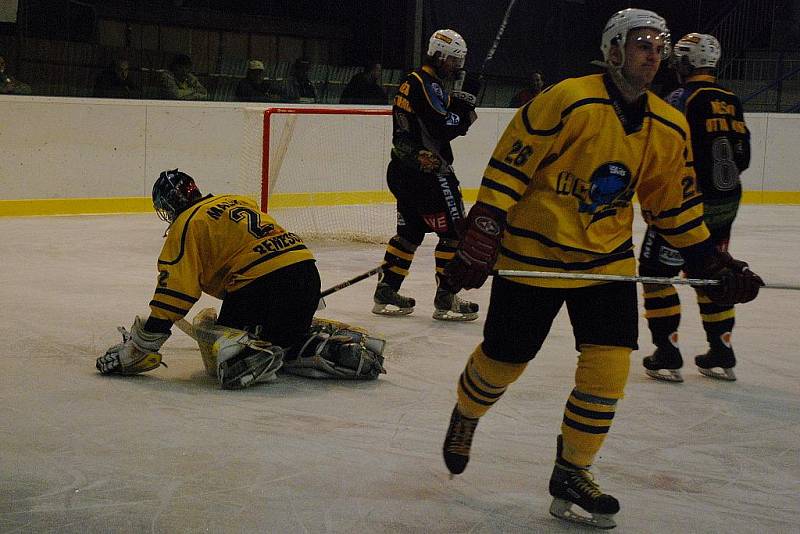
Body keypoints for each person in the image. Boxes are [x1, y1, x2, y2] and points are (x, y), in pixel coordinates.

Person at [439, 9, 763, 529]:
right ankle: (467, 413)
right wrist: (484, 229)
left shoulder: (668, 122)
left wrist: (712, 259)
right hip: (533, 255)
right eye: (642, 43)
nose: (654, 53)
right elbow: (510, 166)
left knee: (609, 369)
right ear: (613, 50)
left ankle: (572, 472)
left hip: (607, 262)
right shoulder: (568, 99)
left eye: (659, 44)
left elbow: (672, 207)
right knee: (505, 358)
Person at [96, 170, 385, 388]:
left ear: (168, 205)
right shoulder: (236, 200)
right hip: (307, 273)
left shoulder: (187, 224)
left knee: (224, 346)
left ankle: (249, 353)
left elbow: (175, 292)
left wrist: (143, 345)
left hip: (261, 285)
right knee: (283, 337)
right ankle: (327, 347)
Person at [639, 33, 751, 383]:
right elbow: (742, 155)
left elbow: (663, 149)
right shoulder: (731, 99)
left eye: (678, 59)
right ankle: (722, 349)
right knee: (711, 270)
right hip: (726, 203)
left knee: (655, 273)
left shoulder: (680, 97)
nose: (673, 64)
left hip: (685, 205)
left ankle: (667, 351)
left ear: (687, 62)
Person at [371, 29, 482, 322]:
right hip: (429, 174)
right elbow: (442, 127)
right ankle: (446, 296)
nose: (457, 66)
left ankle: (386, 290)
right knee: (454, 232)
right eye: (454, 60)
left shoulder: (414, 82)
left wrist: (458, 104)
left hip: (402, 171)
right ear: (439, 55)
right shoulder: (425, 83)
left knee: (409, 232)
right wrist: (466, 106)